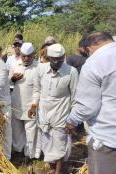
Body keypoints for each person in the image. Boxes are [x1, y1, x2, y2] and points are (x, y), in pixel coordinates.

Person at [66, 32, 116, 174]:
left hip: (108, 139)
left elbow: (88, 106)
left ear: (89, 48)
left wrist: (70, 121)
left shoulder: (95, 62)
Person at [28, 43, 78, 174]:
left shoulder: (71, 71)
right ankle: (51, 168)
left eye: (60, 60)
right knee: (46, 141)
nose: (57, 63)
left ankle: (59, 171)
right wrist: (34, 105)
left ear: (63, 57)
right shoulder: (40, 69)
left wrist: (72, 119)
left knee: (59, 143)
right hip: (44, 112)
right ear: (49, 58)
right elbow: (37, 89)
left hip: (61, 112)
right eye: (54, 60)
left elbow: (75, 97)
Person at [9, 43, 41, 159]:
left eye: (29, 56)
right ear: (20, 55)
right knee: (16, 130)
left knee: (30, 131)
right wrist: (13, 79)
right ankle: (18, 150)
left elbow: (39, 89)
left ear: (33, 55)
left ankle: (29, 155)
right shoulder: (14, 64)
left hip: (30, 105)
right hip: (16, 103)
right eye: (24, 56)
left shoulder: (38, 67)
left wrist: (34, 105)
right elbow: (8, 82)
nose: (26, 59)